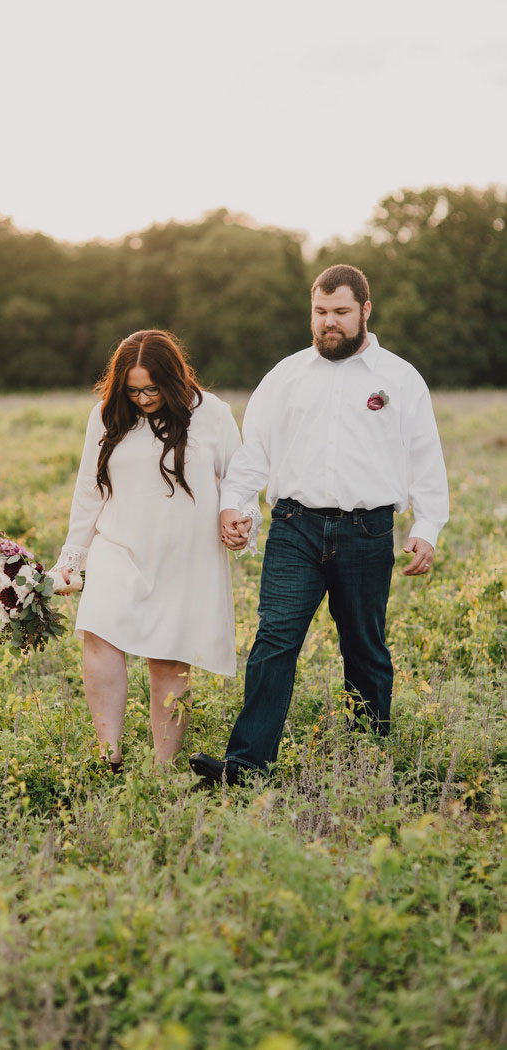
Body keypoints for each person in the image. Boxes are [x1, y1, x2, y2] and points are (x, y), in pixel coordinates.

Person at [189, 264, 449, 786]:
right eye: (321, 312)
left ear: (365, 311)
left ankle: (365, 761)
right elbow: (253, 453)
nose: (329, 323)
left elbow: (424, 456)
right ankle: (245, 765)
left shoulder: (399, 378)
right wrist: (233, 504)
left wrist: (429, 524)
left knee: (364, 645)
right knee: (274, 641)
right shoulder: (285, 376)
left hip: (369, 529)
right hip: (294, 527)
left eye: (341, 313)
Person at [53, 330, 257, 769]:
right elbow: (89, 490)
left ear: (174, 378)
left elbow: (240, 481)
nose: (143, 398)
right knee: (99, 633)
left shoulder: (213, 414)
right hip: (118, 545)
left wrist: (239, 519)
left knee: (168, 660)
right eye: (133, 389)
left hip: (185, 555)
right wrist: (73, 557)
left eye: (152, 388)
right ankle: (108, 756)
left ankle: (164, 769)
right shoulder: (106, 416)